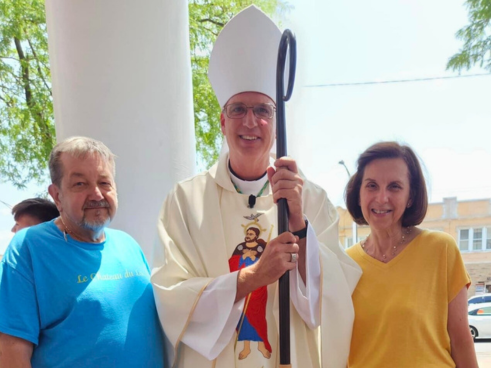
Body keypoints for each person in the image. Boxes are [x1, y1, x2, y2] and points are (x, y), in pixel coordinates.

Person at [151, 6, 361, 368]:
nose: (251, 121)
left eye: (263, 109)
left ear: (276, 123)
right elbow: (170, 295)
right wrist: (250, 278)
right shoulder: (184, 202)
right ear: (222, 121)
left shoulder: (310, 198)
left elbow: (333, 299)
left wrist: (300, 226)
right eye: (238, 109)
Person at [0, 136, 164, 368]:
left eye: (104, 183)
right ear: (57, 195)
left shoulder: (128, 245)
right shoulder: (29, 247)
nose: (96, 194)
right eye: (80, 184)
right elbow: (11, 349)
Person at [345, 141, 478, 368]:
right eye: (372, 185)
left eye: (394, 186)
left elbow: (461, 340)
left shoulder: (440, 249)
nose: (381, 197)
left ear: (410, 197)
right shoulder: (345, 264)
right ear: (359, 194)